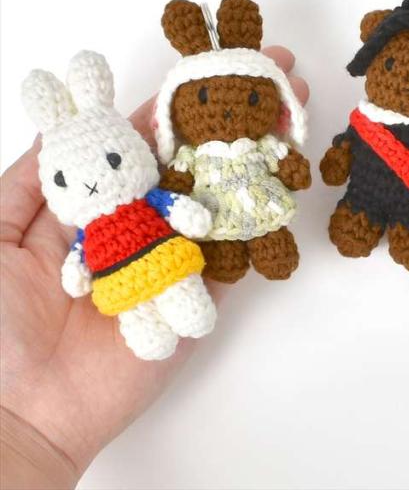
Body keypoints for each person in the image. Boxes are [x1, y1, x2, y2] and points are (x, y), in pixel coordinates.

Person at [0, 47, 309, 490]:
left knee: (190, 306)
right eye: (65, 181)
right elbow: (79, 257)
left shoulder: (147, 201)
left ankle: (184, 306)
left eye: (113, 160)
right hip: (124, 292)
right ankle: (158, 323)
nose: (91, 184)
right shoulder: (87, 232)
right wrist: (75, 270)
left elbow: (173, 205)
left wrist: (189, 213)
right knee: (146, 328)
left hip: (168, 262)